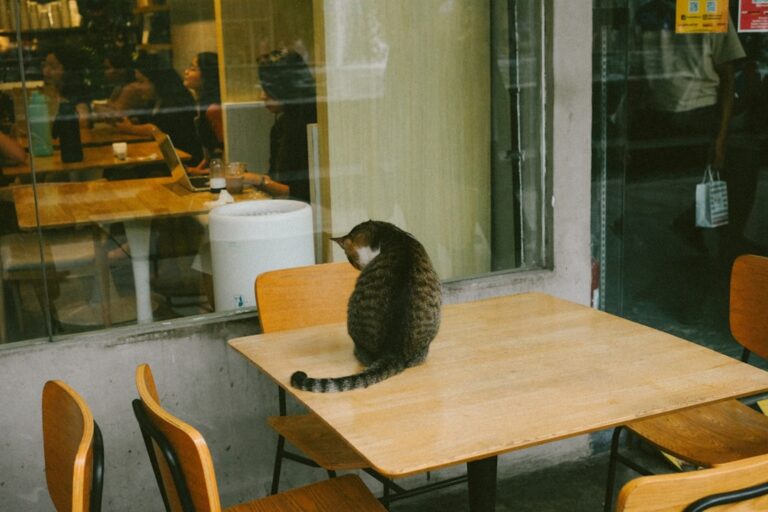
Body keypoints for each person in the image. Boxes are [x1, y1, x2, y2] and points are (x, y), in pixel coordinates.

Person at [629, 0, 746, 250]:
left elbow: (635, 71)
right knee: (742, 153)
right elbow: (728, 76)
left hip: (669, 112)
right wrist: (721, 139)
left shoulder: (649, 12)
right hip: (685, 113)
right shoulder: (708, 9)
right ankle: (713, 235)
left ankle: (692, 225)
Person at [243, 49, 317, 202]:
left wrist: (258, 180)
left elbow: (302, 194)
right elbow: (277, 179)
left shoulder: (309, 125)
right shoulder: (282, 125)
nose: (262, 96)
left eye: (268, 89)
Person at [114, 53, 203, 165]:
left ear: (157, 82)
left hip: (185, 162)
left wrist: (129, 128)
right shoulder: (155, 102)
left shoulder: (175, 104)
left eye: (141, 82)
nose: (138, 87)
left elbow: (156, 130)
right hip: (166, 159)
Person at [183, 52, 223, 171]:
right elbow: (208, 157)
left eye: (193, 68)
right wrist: (196, 170)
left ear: (207, 75)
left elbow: (227, 154)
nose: (186, 72)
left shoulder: (214, 109)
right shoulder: (201, 106)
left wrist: (200, 172)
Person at [41, 46, 92, 129]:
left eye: (53, 67)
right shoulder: (47, 94)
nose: (45, 72)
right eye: (44, 65)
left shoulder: (76, 94)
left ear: (68, 70)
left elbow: (83, 122)